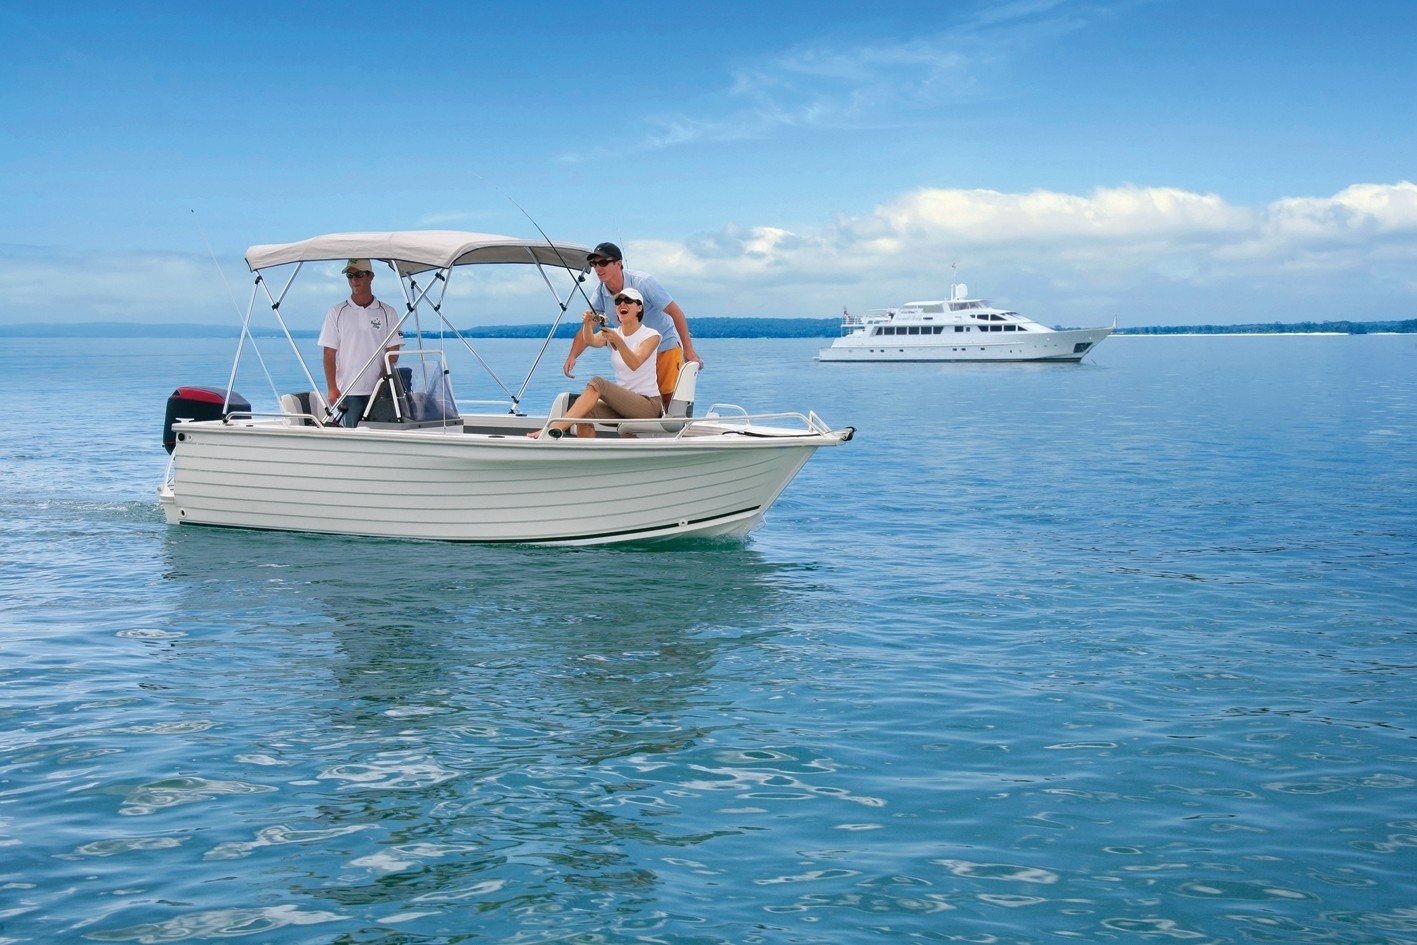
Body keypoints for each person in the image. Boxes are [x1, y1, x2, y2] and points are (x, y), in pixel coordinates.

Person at [562, 241, 702, 408]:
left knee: (669, 401)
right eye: (594, 263)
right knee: (635, 401)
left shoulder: (643, 282)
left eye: (603, 262)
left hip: (664, 347)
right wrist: (572, 356)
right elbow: (588, 328)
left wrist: (689, 350)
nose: (598, 268)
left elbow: (676, 313)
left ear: (618, 264)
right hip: (634, 354)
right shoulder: (600, 293)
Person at [531, 287, 662, 439]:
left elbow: (635, 363)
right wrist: (588, 324)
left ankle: (553, 429)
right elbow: (590, 340)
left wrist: (618, 342)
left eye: (628, 300)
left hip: (648, 406)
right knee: (583, 413)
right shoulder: (614, 333)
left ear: (639, 307)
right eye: (618, 301)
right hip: (623, 406)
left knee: (598, 383)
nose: (622, 304)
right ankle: (585, 451)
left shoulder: (651, 335)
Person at [318, 259, 402, 427]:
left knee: (381, 433)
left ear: (371, 276)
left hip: (380, 391)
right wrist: (332, 388)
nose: (354, 280)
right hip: (348, 392)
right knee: (352, 436)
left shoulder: (388, 312)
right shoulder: (336, 312)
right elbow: (329, 353)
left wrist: (382, 382)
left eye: (359, 275)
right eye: (350, 276)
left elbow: (393, 351)